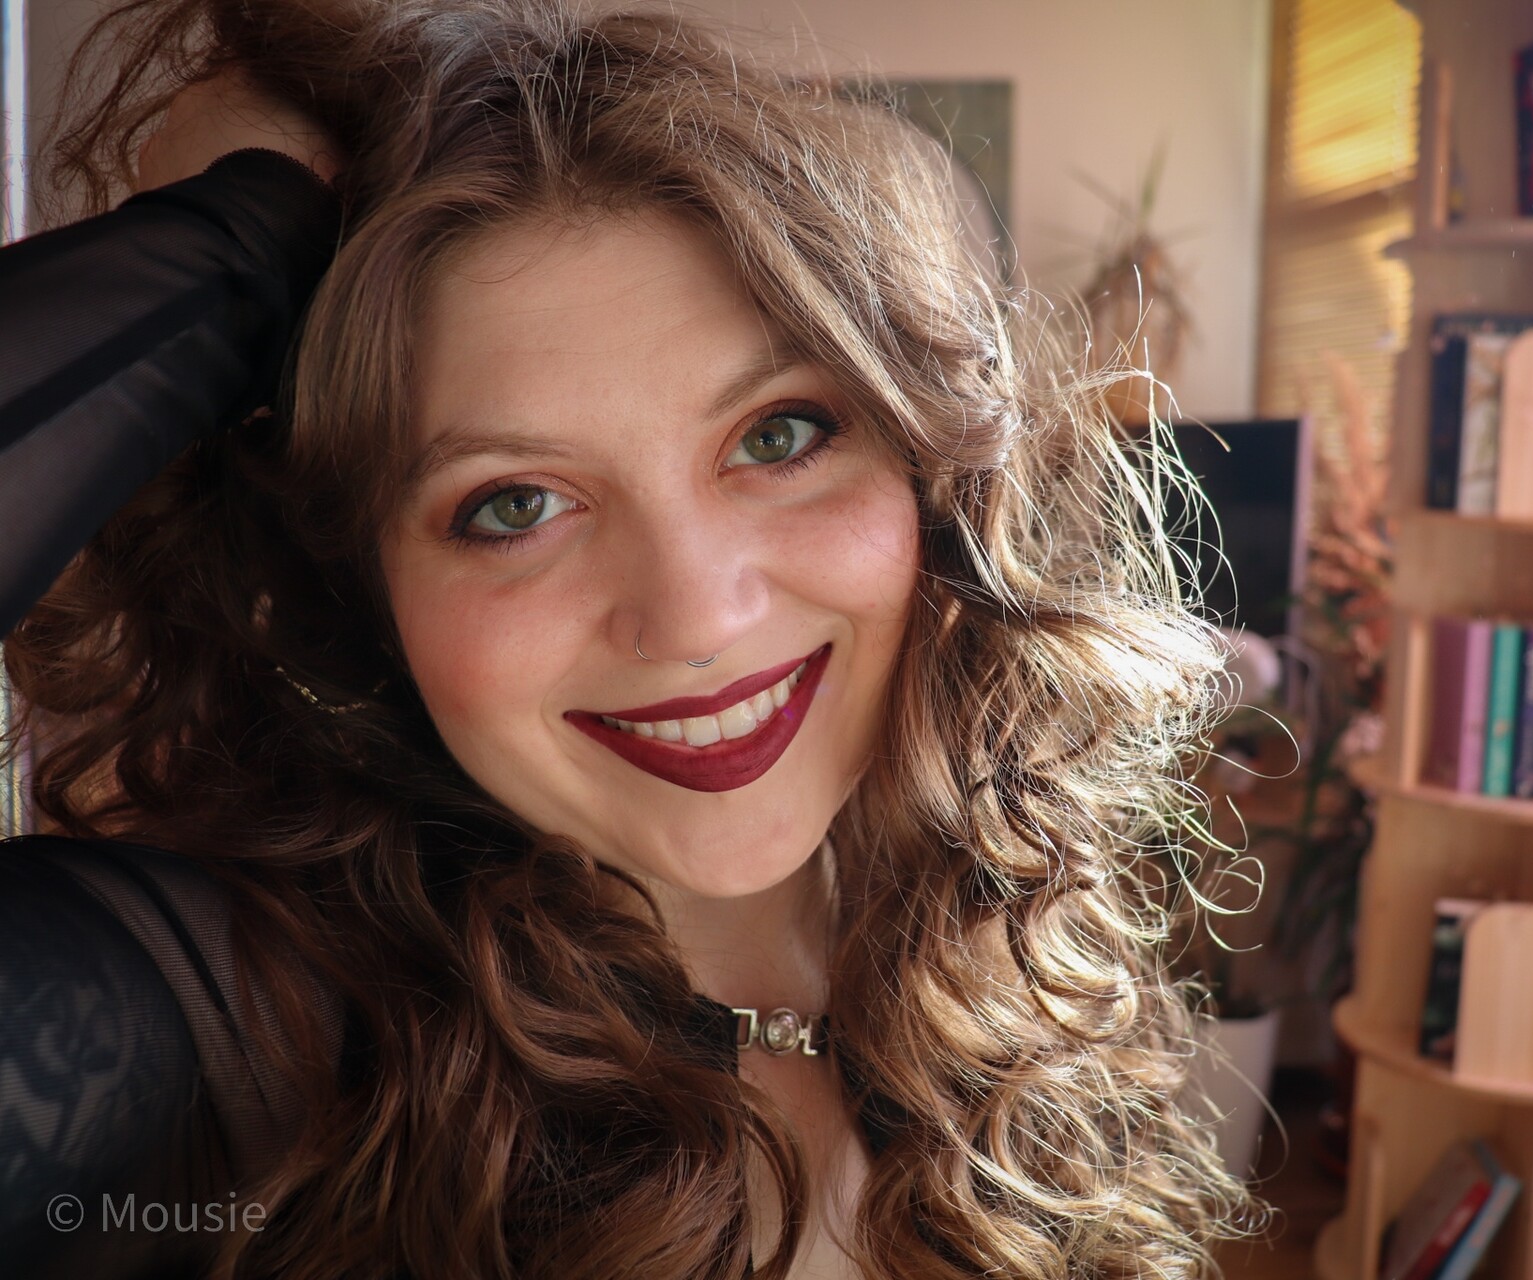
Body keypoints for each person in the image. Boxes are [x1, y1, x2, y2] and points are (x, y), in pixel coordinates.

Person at [0, 2, 1261, 1277]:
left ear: (927, 474)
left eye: (776, 435)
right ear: (364, 595)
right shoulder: (245, 1034)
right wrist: (242, 236)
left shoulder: (1018, 942)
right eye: (515, 505)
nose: (697, 615)